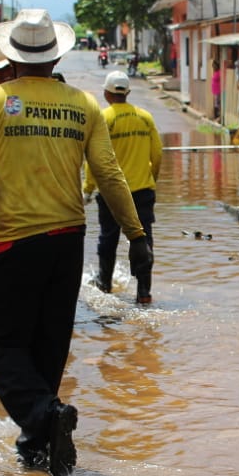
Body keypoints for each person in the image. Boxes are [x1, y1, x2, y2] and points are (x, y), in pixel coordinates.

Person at [0, 8, 153, 476]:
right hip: (67, 242)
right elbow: (109, 175)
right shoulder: (82, 104)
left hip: (15, 243)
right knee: (49, 344)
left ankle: (42, 416)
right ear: (55, 55)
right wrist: (136, 235)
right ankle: (37, 447)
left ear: (11, 58)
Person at [84, 70, 162, 304]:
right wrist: (151, 180)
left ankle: (105, 284)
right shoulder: (145, 118)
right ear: (127, 92)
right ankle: (144, 293)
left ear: (107, 93)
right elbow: (157, 154)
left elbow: (94, 158)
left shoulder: (103, 118)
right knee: (144, 239)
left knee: (108, 238)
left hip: (111, 194)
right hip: (142, 191)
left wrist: (88, 188)